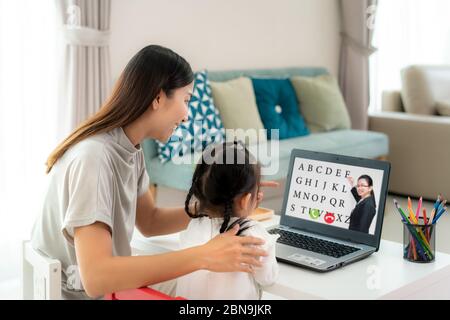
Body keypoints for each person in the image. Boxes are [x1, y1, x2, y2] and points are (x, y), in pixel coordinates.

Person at [30, 45, 277, 299]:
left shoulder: (129, 150)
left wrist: (223, 202)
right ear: (158, 98)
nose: (186, 116)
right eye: (186, 100)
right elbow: (96, 277)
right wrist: (204, 256)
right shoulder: (94, 159)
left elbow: (150, 221)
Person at [176, 141, 279, 300]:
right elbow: (268, 278)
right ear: (246, 200)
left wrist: (247, 197)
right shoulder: (253, 233)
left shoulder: (194, 225)